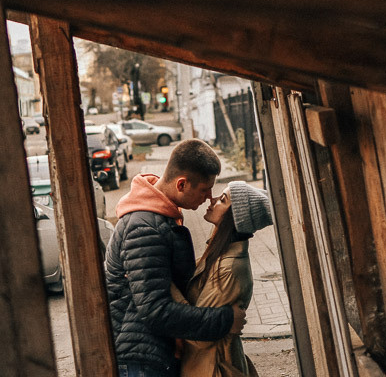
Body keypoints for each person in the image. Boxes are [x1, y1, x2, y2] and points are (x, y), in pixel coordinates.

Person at [106, 139, 247, 377]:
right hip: (139, 361)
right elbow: (155, 311)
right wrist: (224, 321)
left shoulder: (161, 219)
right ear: (181, 184)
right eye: (204, 189)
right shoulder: (145, 228)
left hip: (150, 354)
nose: (208, 197)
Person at [178, 181, 273, 377]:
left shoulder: (228, 268)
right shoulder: (218, 255)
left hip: (213, 368)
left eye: (222, 200)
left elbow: (200, 336)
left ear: (234, 218)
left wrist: (165, 285)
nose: (212, 200)